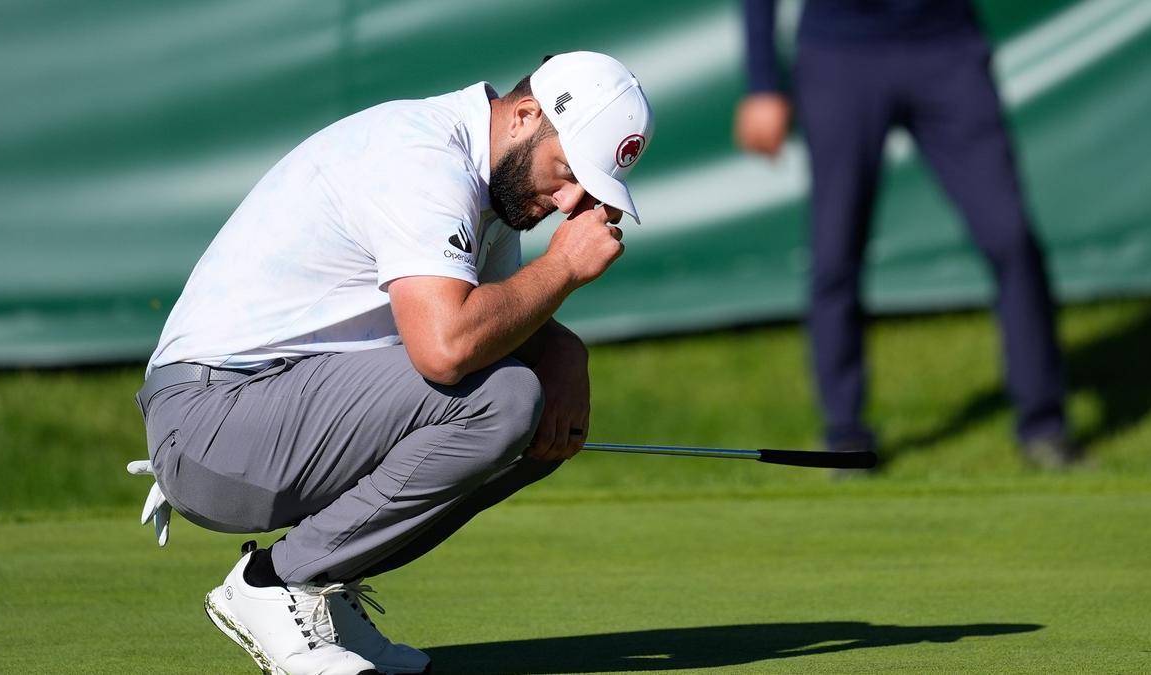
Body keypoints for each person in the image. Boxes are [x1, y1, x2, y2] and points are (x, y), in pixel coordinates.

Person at [130, 51, 654, 675]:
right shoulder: (424, 160)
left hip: (268, 419)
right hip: (215, 423)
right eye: (566, 171)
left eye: (588, 191)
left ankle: (321, 581)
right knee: (506, 398)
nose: (569, 202)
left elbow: (493, 324)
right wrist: (563, 268)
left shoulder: (488, 188)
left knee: (536, 406)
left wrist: (565, 351)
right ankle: (277, 582)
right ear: (525, 115)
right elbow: (447, 347)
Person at [734, 0, 1078, 468]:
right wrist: (762, 83)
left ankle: (1044, 428)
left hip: (948, 48)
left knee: (1010, 236)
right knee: (835, 251)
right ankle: (845, 438)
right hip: (839, 54)